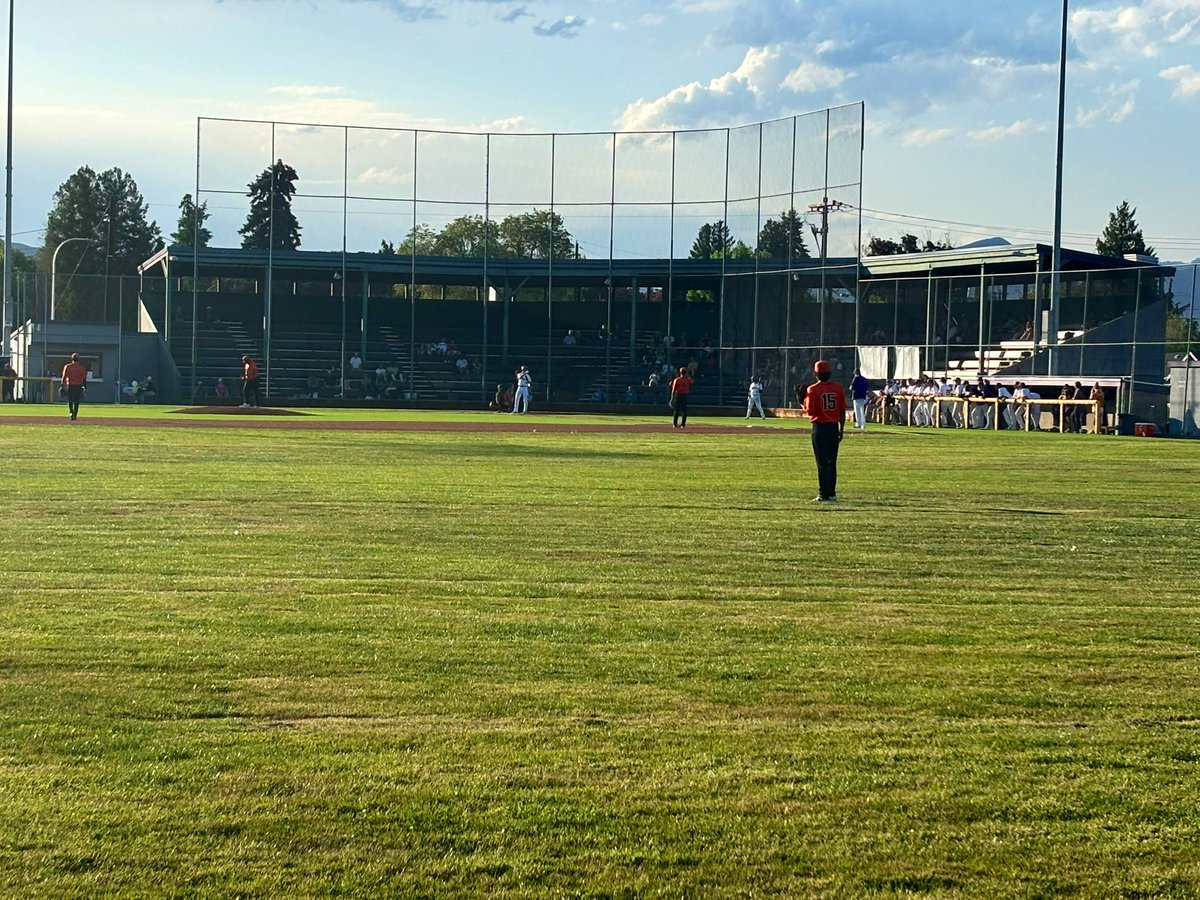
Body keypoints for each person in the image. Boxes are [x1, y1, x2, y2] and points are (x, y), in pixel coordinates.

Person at [803, 359, 846, 502]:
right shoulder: (838, 388)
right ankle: (832, 493)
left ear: (816, 373)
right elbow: (842, 410)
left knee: (821, 463)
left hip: (820, 428)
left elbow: (810, 411)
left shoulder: (812, 389)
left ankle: (823, 494)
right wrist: (842, 429)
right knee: (831, 463)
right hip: (833, 427)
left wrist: (801, 401)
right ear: (830, 373)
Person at [60, 352, 87, 421]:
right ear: (78, 359)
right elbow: (84, 379)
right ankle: (75, 414)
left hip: (70, 385)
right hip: (78, 386)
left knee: (70, 400)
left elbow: (64, 377)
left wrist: (62, 386)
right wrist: (85, 387)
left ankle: (71, 412)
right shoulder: (81, 368)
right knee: (77, 401)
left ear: (72, 359)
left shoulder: (68, 366)